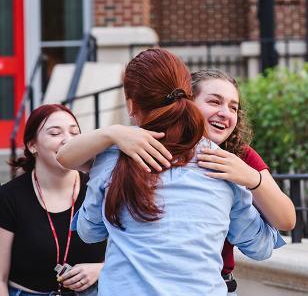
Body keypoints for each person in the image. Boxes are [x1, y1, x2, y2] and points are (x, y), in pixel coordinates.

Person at [57, 48, 283, 295]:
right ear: (187, 98)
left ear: (131, 105)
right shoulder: (222, 163)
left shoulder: (112, 158)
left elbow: (90, 232)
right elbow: (260, 248)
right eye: (215, 101)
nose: (226, 113)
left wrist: (111, 134)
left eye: (232, 107)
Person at [0, 104, 106, 296]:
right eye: (55, 133)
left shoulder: (101, 186)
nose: (68, 140)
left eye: (75, 133)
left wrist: (101, 269)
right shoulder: (8, 197)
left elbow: (132, 252)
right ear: (32, 145)